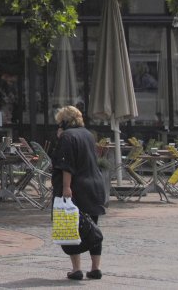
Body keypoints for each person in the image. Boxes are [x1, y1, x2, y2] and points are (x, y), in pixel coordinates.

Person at [51, 105, 106, 281]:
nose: (58, 126)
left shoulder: (67, 136)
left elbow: (67, 164)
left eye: (60, 122)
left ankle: (76, 269)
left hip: (77, 188)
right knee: (92, 228)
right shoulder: (88, 134)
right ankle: (95, 268)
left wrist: (66, 187)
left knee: (71, 228)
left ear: (65, 122)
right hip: (94, 186)